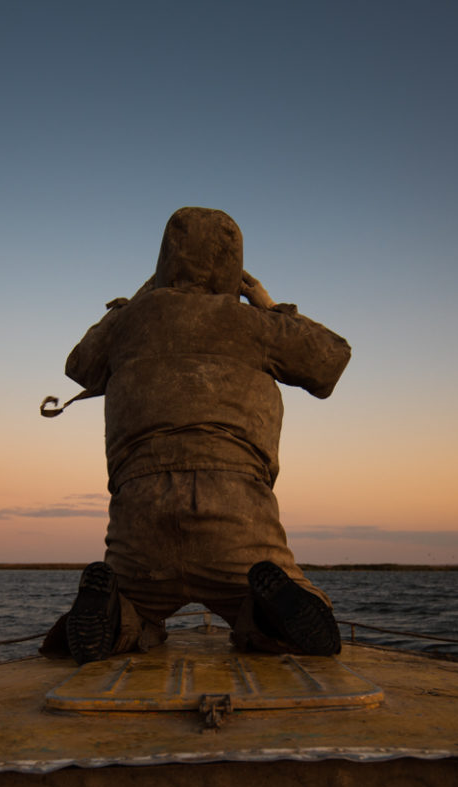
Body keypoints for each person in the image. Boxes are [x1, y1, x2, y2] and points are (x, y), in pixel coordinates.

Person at [40, 207, 351, 664]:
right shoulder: (254, 325)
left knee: (136, 613)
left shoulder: (130, 322)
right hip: (236, 515)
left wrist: (141, 296)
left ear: (163, 261)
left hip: (141, 515)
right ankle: (269, 616)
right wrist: (267, 305)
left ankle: (116, 610)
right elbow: (331, 359)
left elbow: (79, 365)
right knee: (283, 607)